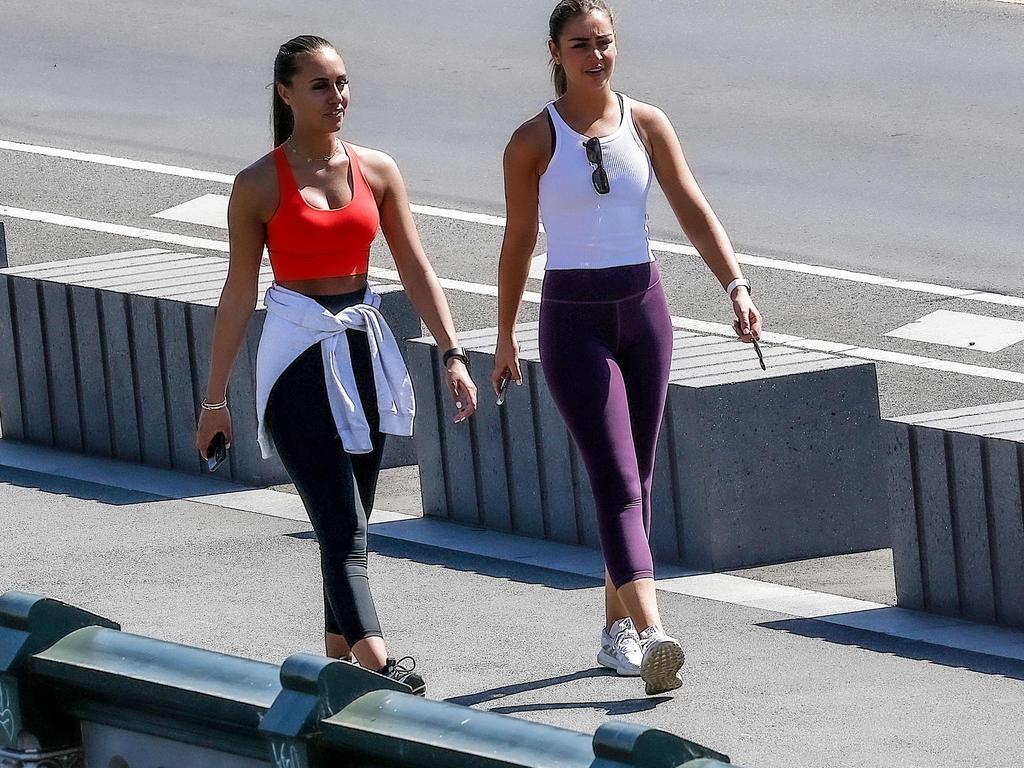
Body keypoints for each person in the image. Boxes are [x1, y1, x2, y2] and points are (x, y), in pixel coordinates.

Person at [492, 1, 763, 695]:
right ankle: (654, 633)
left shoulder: (647, 122)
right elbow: (519, 240)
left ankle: (616, 630)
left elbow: (691, 203)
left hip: (644, 310)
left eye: (605, 42)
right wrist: (503, 335)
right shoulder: (532, 140)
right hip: (573, 319)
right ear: (554, 51)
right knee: (614, 482)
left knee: (637, 480)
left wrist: (735, 286)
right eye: (580, 44)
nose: (596, 56)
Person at [195, 35, 478, 696]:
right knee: (343, 528)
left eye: (342, 83)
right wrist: (215, 400)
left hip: (361, 353)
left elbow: (415, 265)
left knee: (346, 523)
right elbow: (239, 291)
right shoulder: (259, 184)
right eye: (320, 85)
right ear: (286, 93)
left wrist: (453, 353)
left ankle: (332, 669)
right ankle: (383, 669)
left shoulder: (377, 170)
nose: (337, 97)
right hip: (297, 358)